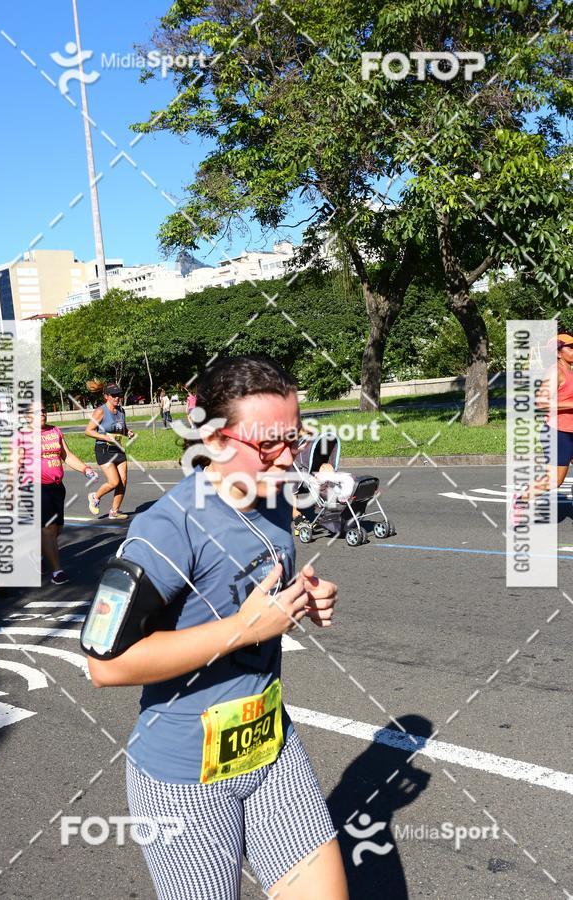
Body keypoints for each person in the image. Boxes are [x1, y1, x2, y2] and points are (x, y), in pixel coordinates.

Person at [87, 356, 348, 900]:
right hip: (186, 779)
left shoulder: (275, 497)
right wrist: (244, 629)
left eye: (295, 439)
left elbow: (252, 593)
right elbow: (104, 665)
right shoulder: (166, 527)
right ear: (217, 441)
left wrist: (301, 600)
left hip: (272, 749)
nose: (290, 459)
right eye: (270, 445)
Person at [512, 332, 573, 524]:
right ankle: (520, 500)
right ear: (558, 352)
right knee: (555, 480)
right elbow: (540, 403)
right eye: (571, 348)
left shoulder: (570, 370)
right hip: (558, 432)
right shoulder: (555, 372)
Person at [39, 405, 95, 584]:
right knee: (49, 528)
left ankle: (38, 556)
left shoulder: (55, 431)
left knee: (57, 529)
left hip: (57, 486)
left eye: (43, 410)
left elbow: (67, 455)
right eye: (37, 411)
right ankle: (57, 571)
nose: (42, 414)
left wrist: (85, 469)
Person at [85, 383, 134, 520]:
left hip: (117, 448)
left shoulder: (121, 411)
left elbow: (120, 428)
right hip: (104, 449)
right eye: (114, 395)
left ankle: (114, 511)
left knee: (123, 481)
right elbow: (88, 431)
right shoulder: (100, 411)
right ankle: (95, 497)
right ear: (106, 396)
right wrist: (105, 437)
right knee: (114, 482)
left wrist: (127, 432)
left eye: (118, 395)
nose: (117, 398)